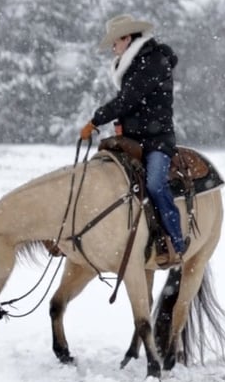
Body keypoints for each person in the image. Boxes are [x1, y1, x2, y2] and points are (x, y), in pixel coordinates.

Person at [80, 14, 189, 266]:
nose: (112, 48)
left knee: (154, 184)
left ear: (127, 38)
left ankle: (176, 241)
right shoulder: (133, 64)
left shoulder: (152, 62)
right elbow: (132, 105)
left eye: (114, 43)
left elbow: (128, 100)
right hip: (133, 138)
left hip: (157, 140)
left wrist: (96, 120)